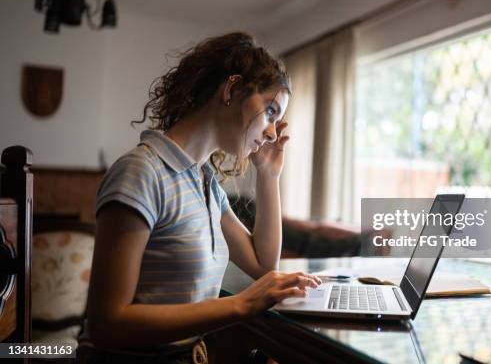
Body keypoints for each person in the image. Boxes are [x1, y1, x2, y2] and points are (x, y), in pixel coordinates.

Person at [77, 32, 322, 363]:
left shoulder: (204, 180)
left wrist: (269, 176)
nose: (272, 132)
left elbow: (264, 265)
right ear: (232, 90)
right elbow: (108, 323)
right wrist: (241, 304)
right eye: (270, 112)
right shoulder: (141, 173)